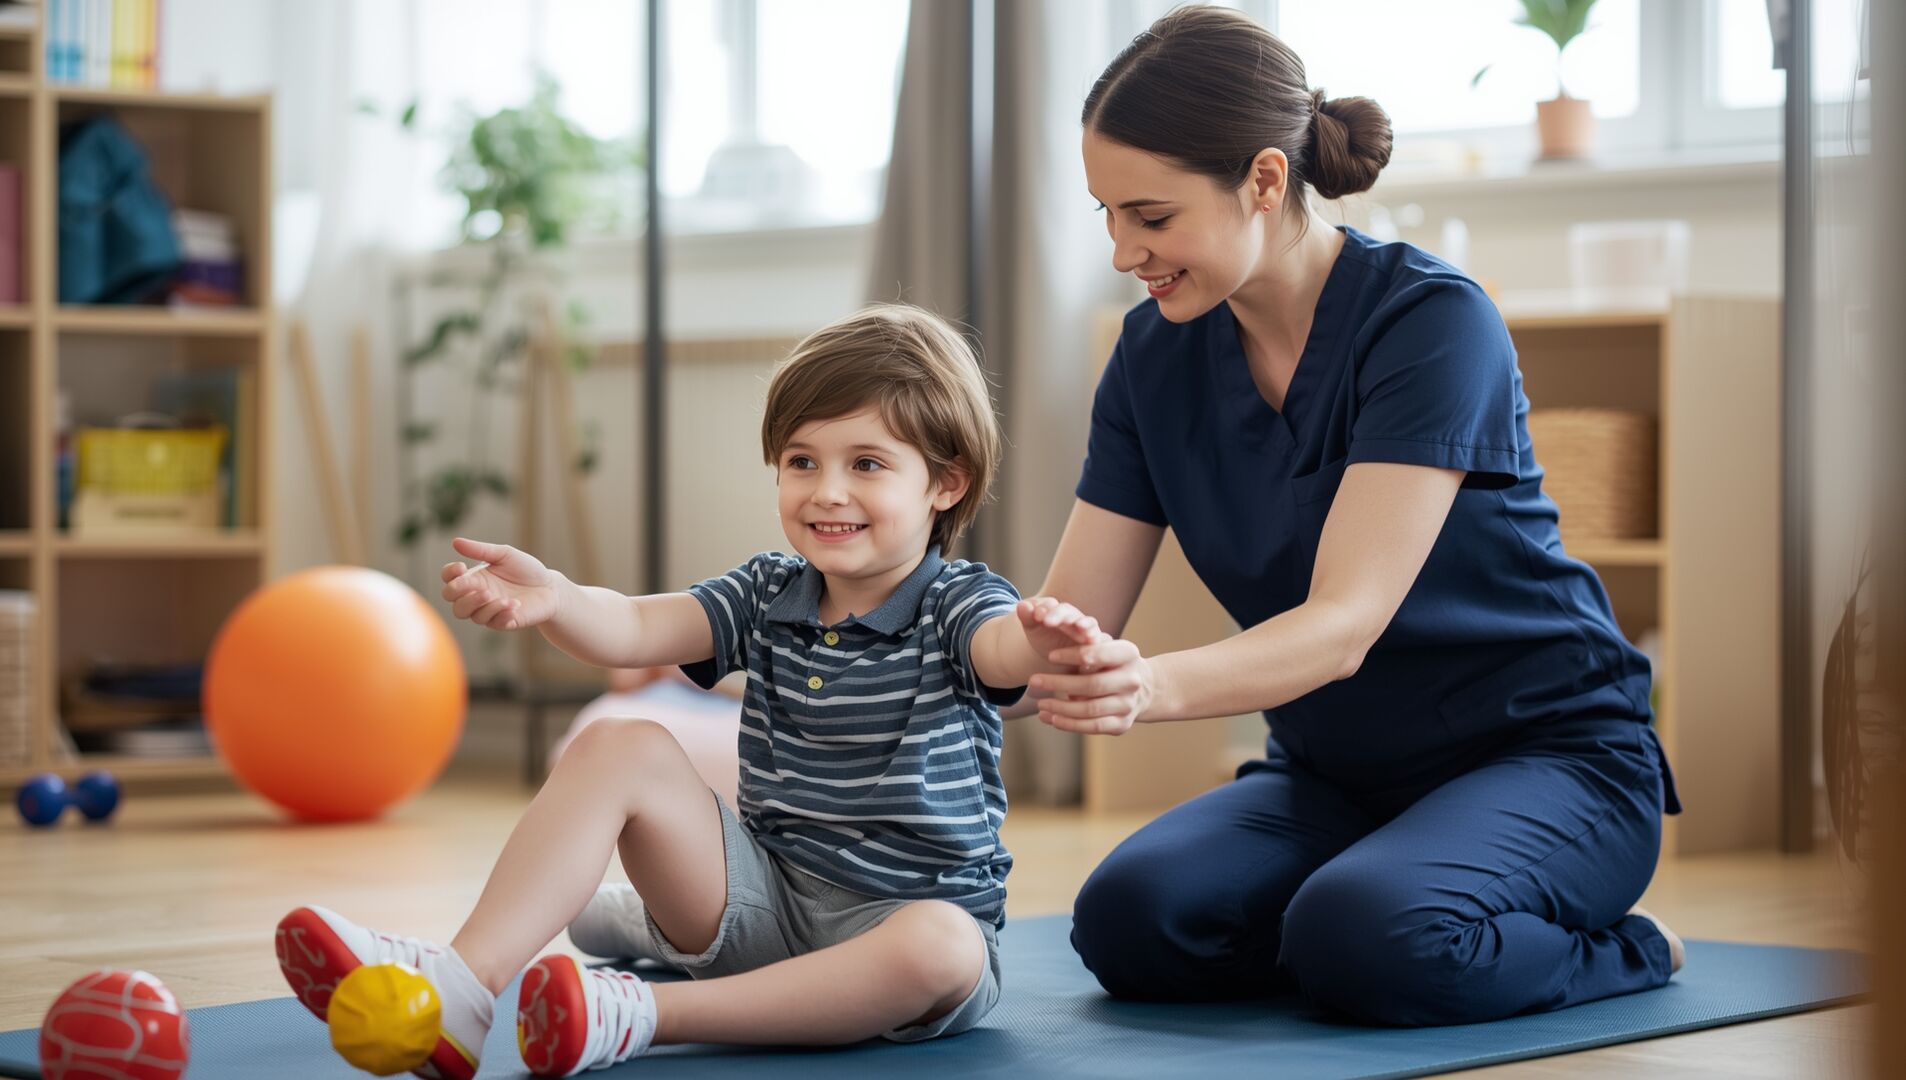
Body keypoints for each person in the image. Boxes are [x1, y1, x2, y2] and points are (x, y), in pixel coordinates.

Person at [1024, 6, 1685, 1026]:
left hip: (1548, 760)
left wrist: (1139, 685)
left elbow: (1341, 627)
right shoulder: (1150, 355)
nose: (1123, 251)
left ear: (1263, 180)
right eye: (1106, 214)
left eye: (1150, 218)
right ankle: (1367, 913)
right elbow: (1065, 617)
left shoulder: (1430, 323)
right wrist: (882, 629)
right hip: (1334, 777)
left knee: (1371, 939)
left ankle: (1623, 948)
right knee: (1131, 922)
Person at [271, 304, 1102, 1078]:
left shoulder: (959, 601)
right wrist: (557, 596)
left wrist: (1040, 638)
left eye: (868, 464)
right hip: (759, 903)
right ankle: (462, 983)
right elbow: (634, 629)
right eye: (802, 461)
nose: (827, 491)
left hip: (894, 934)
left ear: (944, 485)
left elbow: (999, 653)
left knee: (944, 947)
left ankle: (636, 1012)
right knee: (618, 740)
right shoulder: (768, 591)